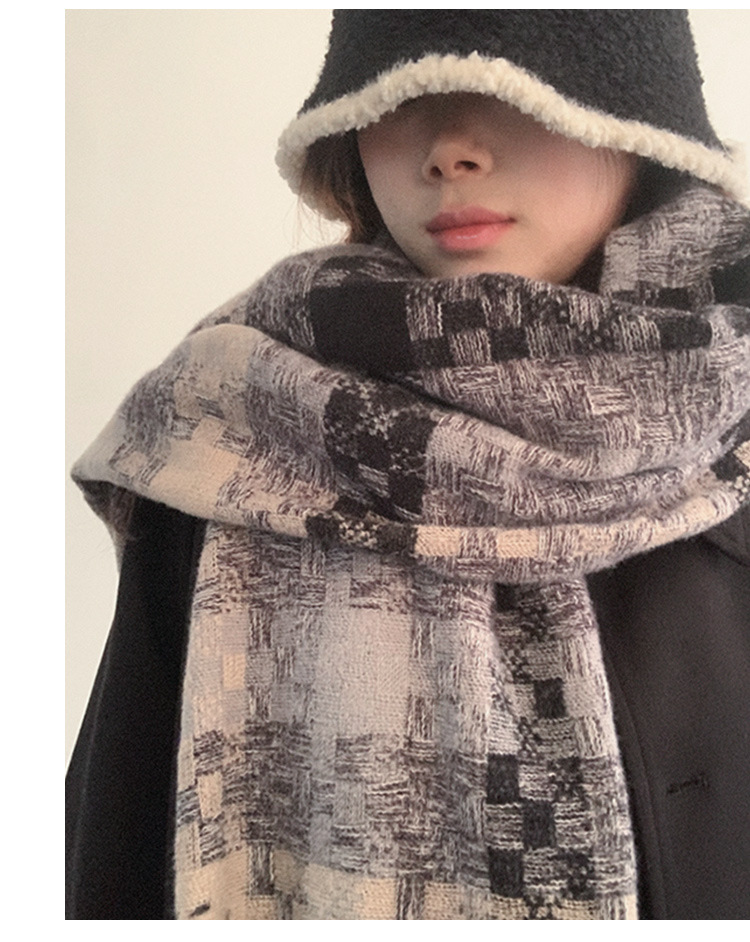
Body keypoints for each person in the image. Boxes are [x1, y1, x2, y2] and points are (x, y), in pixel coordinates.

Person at [67, 10, 750, 920]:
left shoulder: (732, 417)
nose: (450, 151)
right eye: (400, 96)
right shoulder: (233, 433)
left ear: (642, 122)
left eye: (521, 91)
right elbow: (112, 865)